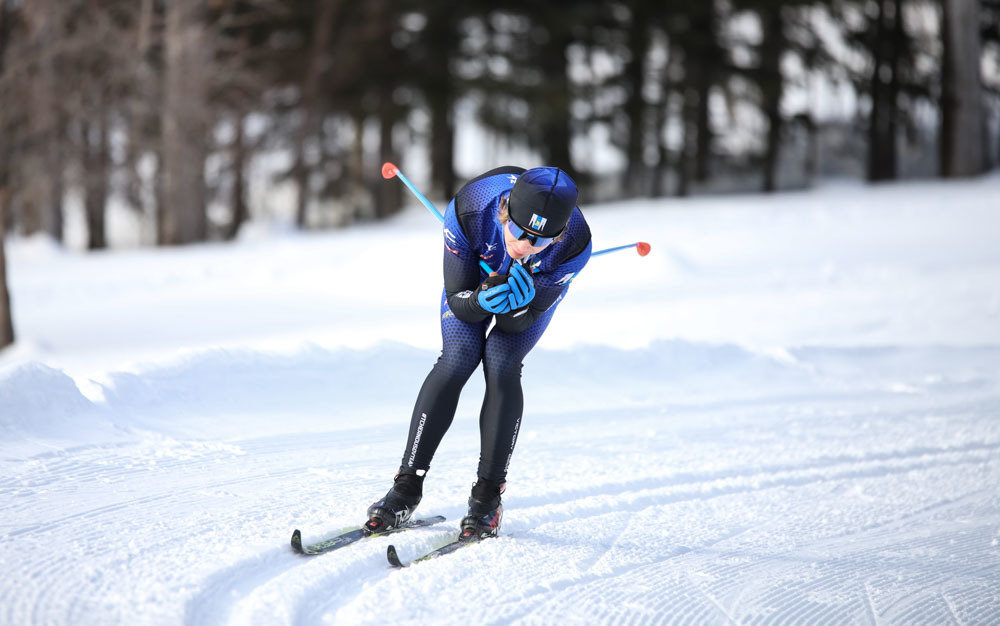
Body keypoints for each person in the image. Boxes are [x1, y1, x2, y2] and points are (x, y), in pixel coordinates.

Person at [365, 166, 592, 541]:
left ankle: (487, 497)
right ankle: (406, 485)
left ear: (560, 234)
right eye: (517, 232)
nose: (524, 247)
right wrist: (482, 299)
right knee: (458, 357)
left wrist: (520, 308)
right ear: (504, 211)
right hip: (474, 282)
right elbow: (458, 300)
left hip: (528, 298)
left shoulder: (574, 247)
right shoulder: (470, 208)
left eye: (539, 242)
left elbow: (522, 323)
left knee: (502, 362)